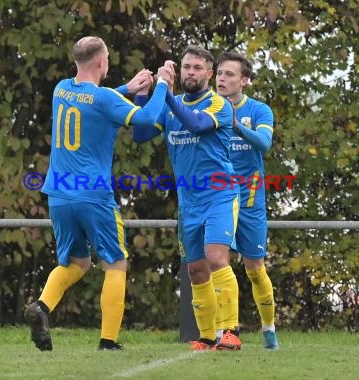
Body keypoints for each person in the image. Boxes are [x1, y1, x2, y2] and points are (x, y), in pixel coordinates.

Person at [24, 36, 172, 352]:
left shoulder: (61, 89)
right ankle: (108, 341)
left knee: (76, 262)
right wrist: (162, 86)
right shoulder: (103, 97)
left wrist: (129, 89)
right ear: (101, 63)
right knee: (115, 263)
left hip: (59, 193)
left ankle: (42, 306)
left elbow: (97, 104)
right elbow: (143, 119)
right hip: (92, 195)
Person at [132, 45, 241, 351]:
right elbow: (140, 135)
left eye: (197, 67)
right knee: (195, 269)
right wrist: (143, 93)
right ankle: (207, 337)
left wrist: (163, 90)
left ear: (209, 73)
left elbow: (195, 123)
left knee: (217, 258)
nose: (190, 72)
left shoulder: (219, 104)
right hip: (189, 201)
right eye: (186, 67)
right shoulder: (171, 105)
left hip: (220, 194)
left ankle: (229, 331)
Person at [215, 51, 279, 349]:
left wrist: (237, 124)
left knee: (255, 268)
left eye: (229, 74)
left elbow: (265, 143)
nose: (221, 79)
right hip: (217, 197)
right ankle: (224, 331)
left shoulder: (259, 110)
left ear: (245, 80)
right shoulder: (209, 108)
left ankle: (268, 329)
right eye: (219, 73)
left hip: (250, 198)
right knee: (217, 262)